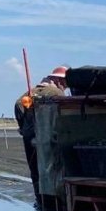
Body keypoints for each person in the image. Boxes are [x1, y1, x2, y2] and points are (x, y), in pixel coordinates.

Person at [14, 65, 69, 202]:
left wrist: (23, 128)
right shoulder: (56, 93)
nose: (65, 87)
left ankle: (41, 200)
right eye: (65, 84)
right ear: (59, 81)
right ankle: (55, 201)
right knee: (54, 169)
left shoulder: (30, 93)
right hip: (50, 137)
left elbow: (18, 106)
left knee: (35, 170)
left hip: (30, 137)